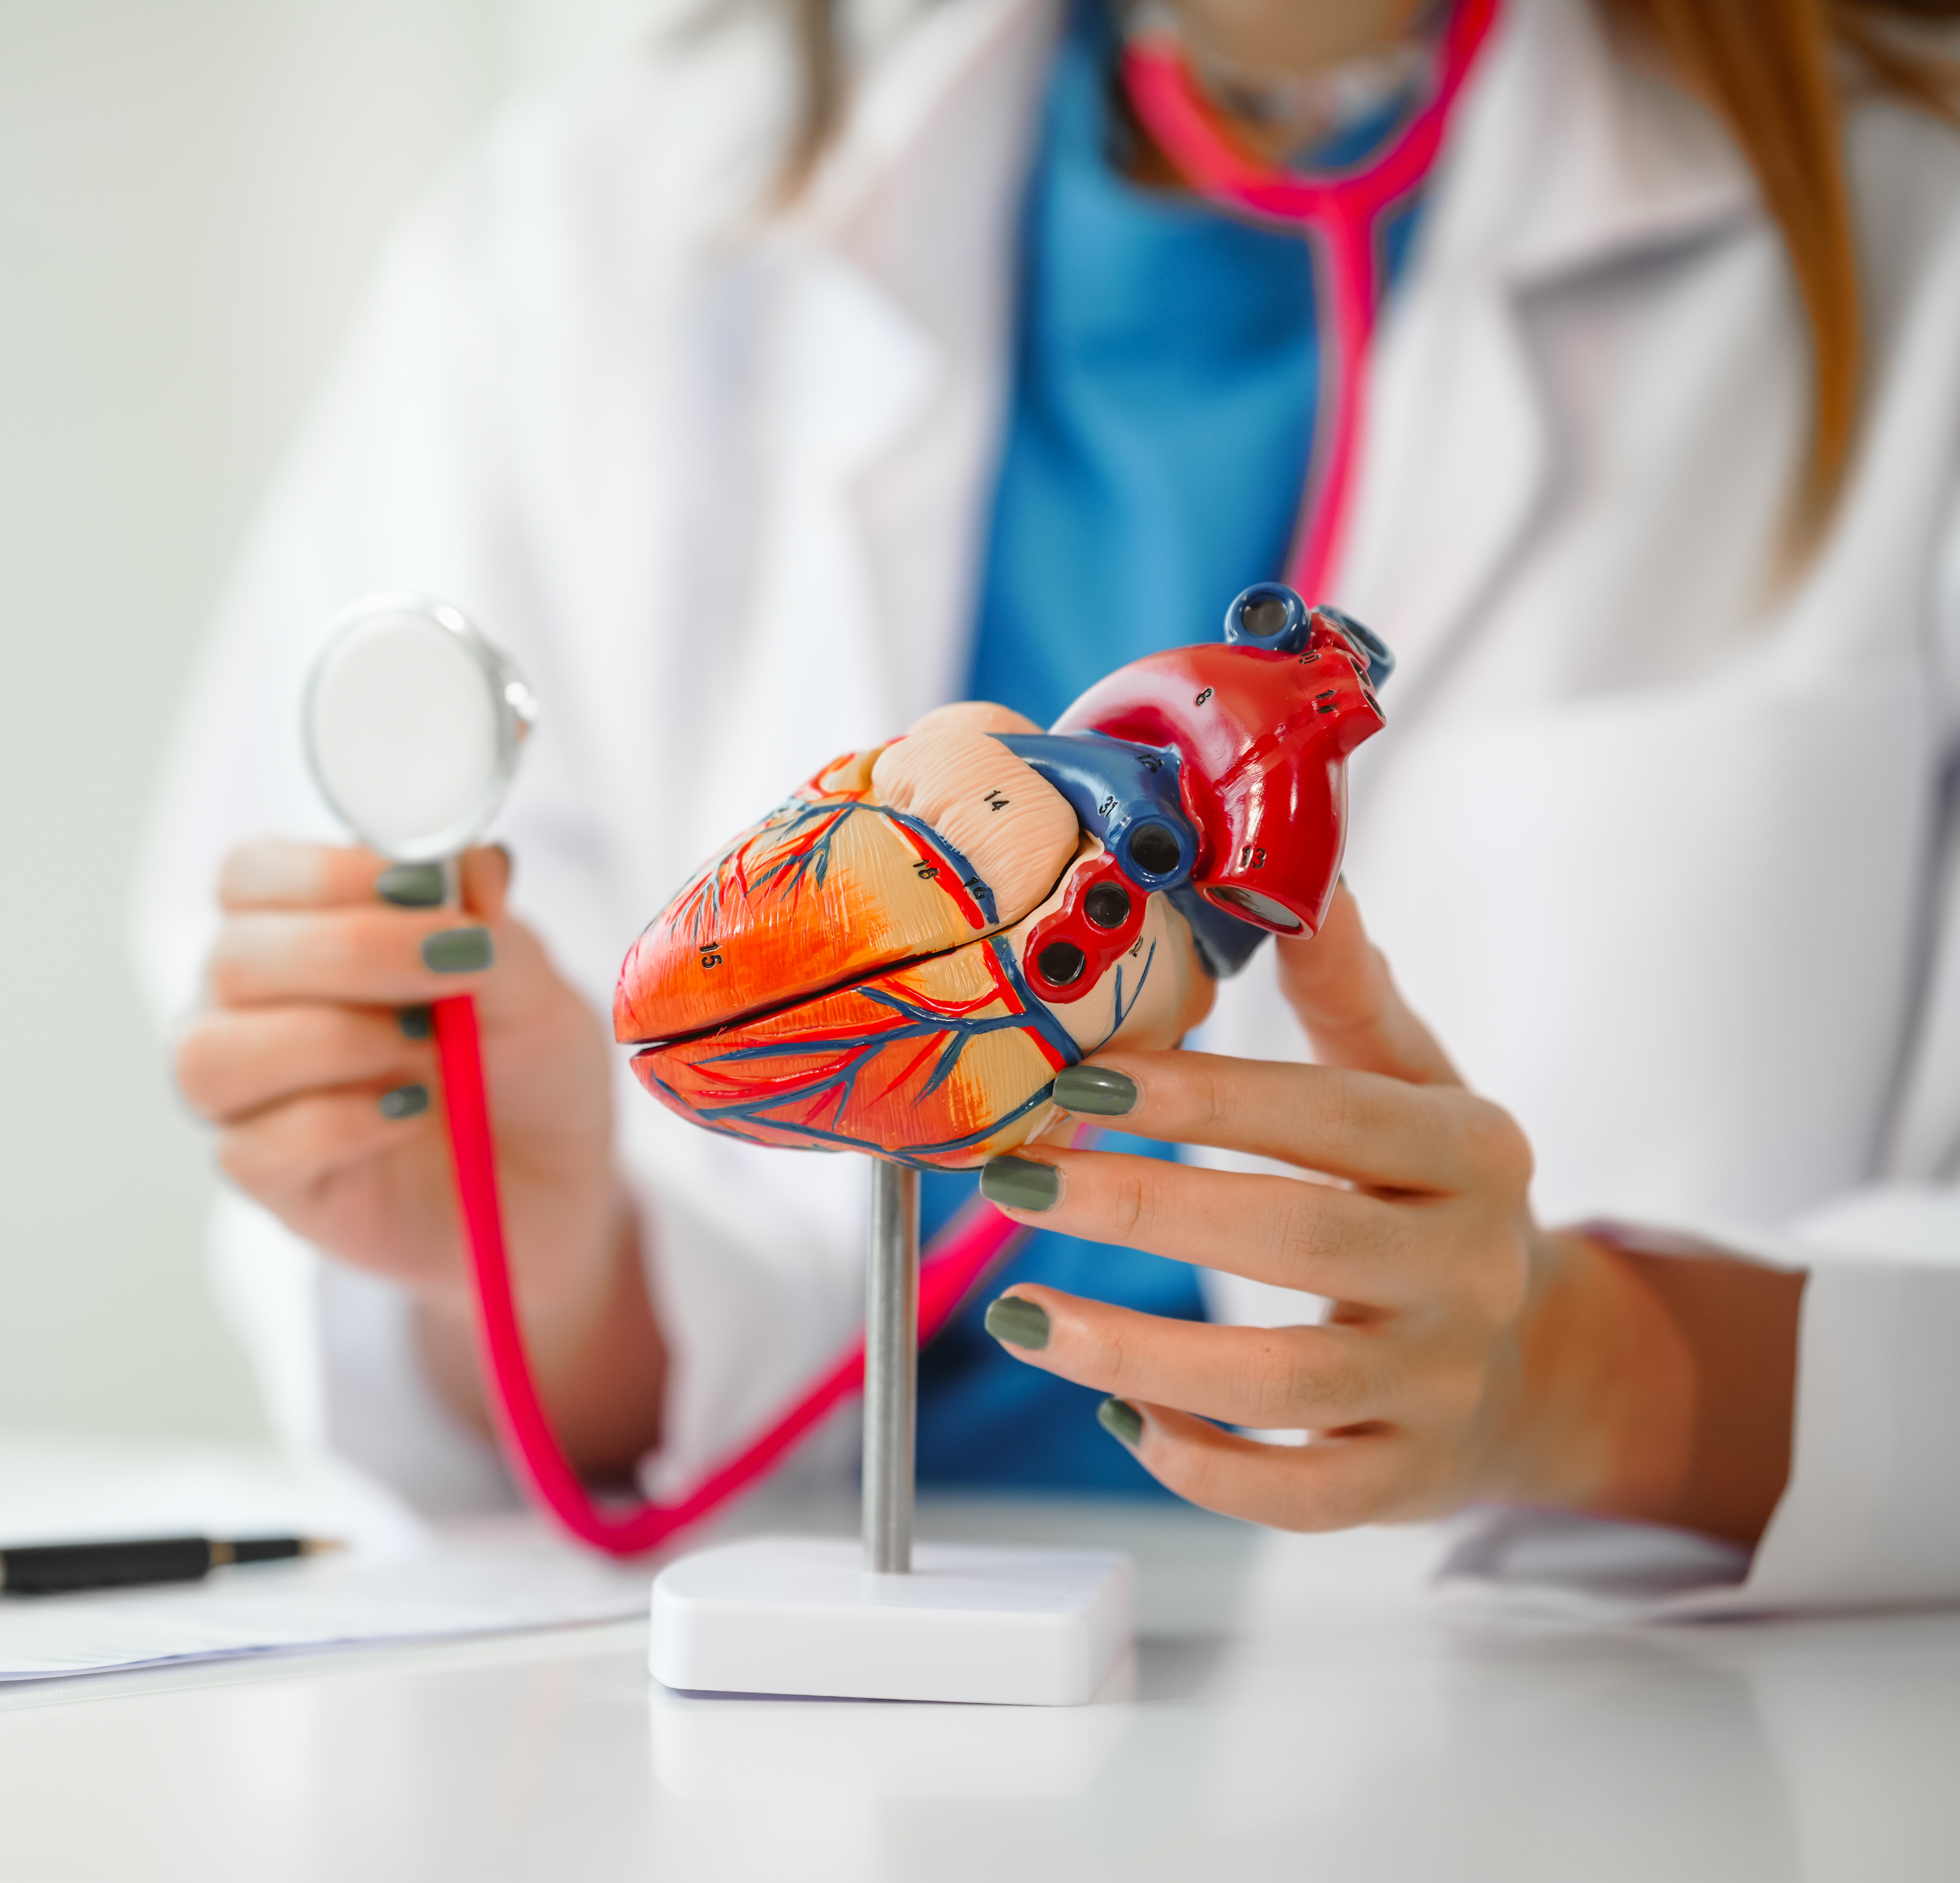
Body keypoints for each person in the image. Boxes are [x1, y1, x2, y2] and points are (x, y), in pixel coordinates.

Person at [135, 0, 1960, 1611]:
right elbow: (596, 1368)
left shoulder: (1919, 220)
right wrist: (544, 1259)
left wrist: (1604, 1377)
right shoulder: (592, 232)